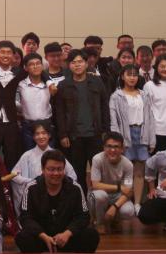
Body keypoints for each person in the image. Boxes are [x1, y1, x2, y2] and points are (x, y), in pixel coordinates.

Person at [17, 150, 100, 253]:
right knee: (22, 237)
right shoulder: (31, 188)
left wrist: (67, 234)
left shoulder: (75, 188)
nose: (56, 173)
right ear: (42, 169)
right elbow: (25, 217)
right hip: (42, 238)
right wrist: (43, 235)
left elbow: (83, 216)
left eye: (59, 169)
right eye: (51, 169)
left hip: (67, 238)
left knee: (91, 235)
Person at [52, 49, 109, 186]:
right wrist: (63, 135)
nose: (77, 65)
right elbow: (59, 112)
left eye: (80, 61)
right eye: (73, 62)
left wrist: (106, 131)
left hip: (95, 135)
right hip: (74, 137)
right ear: (69, 65)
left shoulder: (97, 82)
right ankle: (81, 198)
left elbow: (104, 107)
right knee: (77, 173)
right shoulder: (63, 85)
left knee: (99, 172)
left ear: (86, 63)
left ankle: (99, 198)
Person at [108, 63, 156, 206]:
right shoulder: (116, 96)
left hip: (142, 133)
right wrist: (117, 141)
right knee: (125, 171)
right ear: (122, 77)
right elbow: (114, 120)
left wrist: (151, 139)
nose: (132, 78)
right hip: (125, 134)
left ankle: (137, 203)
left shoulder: (144, 94)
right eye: (129, 75)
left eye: (135, 75)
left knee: (140, 171)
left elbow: (150, 118)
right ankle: (125, 203)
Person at [10, 123, 77, 214]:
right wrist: (30, 181)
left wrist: (60, 184)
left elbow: (72, 175)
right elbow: (14, 175)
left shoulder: (57, 154)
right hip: (35, 196)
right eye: (37, 134)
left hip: (56, 194)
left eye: (44, 133)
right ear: (33, 137)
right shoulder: (27, 155)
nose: (41, 136)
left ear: (49, 135)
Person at [88, 133, 135, 234]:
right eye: (109, 146)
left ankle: (115, 220)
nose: (112, 150)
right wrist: (119, 187)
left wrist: (115, 206)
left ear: (122, 149)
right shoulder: (97, 159)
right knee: (100, 196)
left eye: (116, 147)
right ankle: (99, 223)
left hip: (117, 197)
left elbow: (128, 191)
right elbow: (95, 185)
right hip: (98, 194)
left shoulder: (128, 165)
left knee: (129, 211)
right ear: (104, 148)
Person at [17, 53, 52, 152]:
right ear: (26, 68)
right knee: (29, 155)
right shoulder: (20, 84)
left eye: (38, 63)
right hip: (28, 126)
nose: (35, 66)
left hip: (47, 125)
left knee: (48, 156)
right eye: (32, 64)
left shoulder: (50, 85)